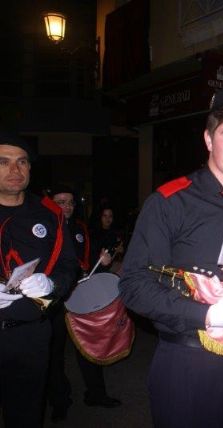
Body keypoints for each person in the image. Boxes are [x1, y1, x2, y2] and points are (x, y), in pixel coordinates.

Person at [119, 87, 223, 428]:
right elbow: (134, 284)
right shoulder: (170, 202)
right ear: (209, 140)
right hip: (191, 359)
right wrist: (204, 313)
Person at [0, 132, 77, 427]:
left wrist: (52, 285)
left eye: (22, 162)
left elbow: (69, 265)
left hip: (30, 334)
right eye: (4, 162)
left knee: (27, 414)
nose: (15, 170)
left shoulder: (49, 212)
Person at [47, 187, 122, 423]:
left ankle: (96, 394)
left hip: (80, 295)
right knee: (54, 354)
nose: (66, 206)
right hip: (54, 300)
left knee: (89, 347)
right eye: (60, 202)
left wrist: (104, 262)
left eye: (69, 202)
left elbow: (89, 265)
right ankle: (60, 401)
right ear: (50, 203)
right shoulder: (43, 226)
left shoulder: (80, 229)